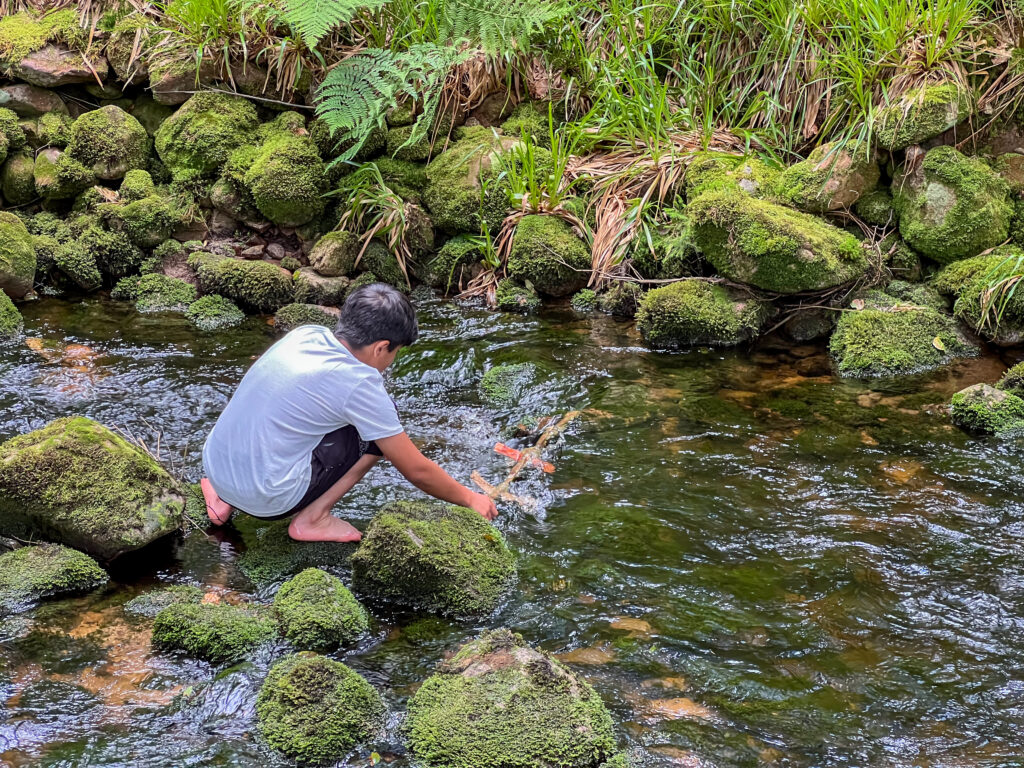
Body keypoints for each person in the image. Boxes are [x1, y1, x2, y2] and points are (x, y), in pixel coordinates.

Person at [199, 282, 498, 543]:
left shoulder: (306, 334)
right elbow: (415, 470)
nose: (392, 361)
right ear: (381, 347)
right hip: (267, 499)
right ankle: (313, 518)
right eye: (395, 353)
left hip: (216, 467)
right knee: (378, 434)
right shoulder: (359, 384)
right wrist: (470, 498)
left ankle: (221, 498)